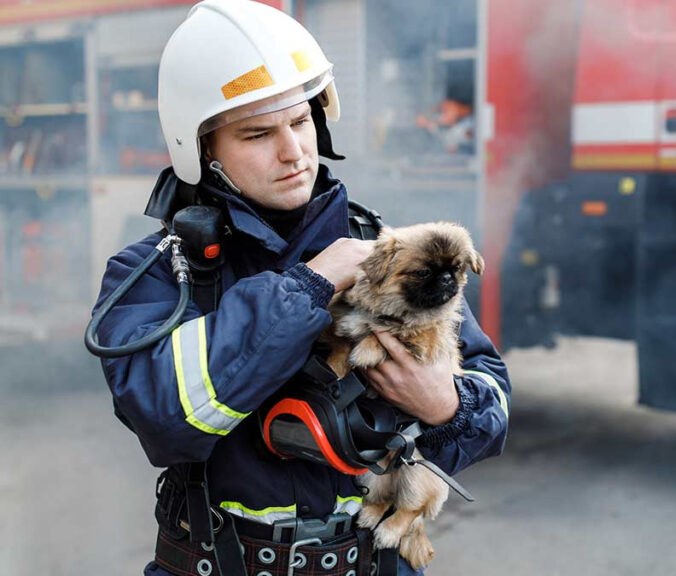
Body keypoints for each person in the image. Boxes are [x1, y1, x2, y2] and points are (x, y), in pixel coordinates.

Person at [89, 1, 510, 575]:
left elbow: (495, 406)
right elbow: (165, 420)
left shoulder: (381, 250)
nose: (292, 152)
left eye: (301, 122)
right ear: (203, 150)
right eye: (258, 133)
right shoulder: (159, 273)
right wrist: (310, 285)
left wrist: (446, 405)